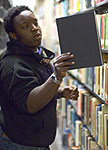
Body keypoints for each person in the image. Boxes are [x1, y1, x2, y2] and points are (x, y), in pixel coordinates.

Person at [0, 5, 79, 150]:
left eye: (35, 23)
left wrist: (60, 92)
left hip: (35, 142)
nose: (34, 28)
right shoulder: (13, 66)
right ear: (14, 35)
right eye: (25, 26)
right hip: (20, 144)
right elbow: (31, 104)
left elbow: (37, 86)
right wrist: (55, 77)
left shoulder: (33, 54)